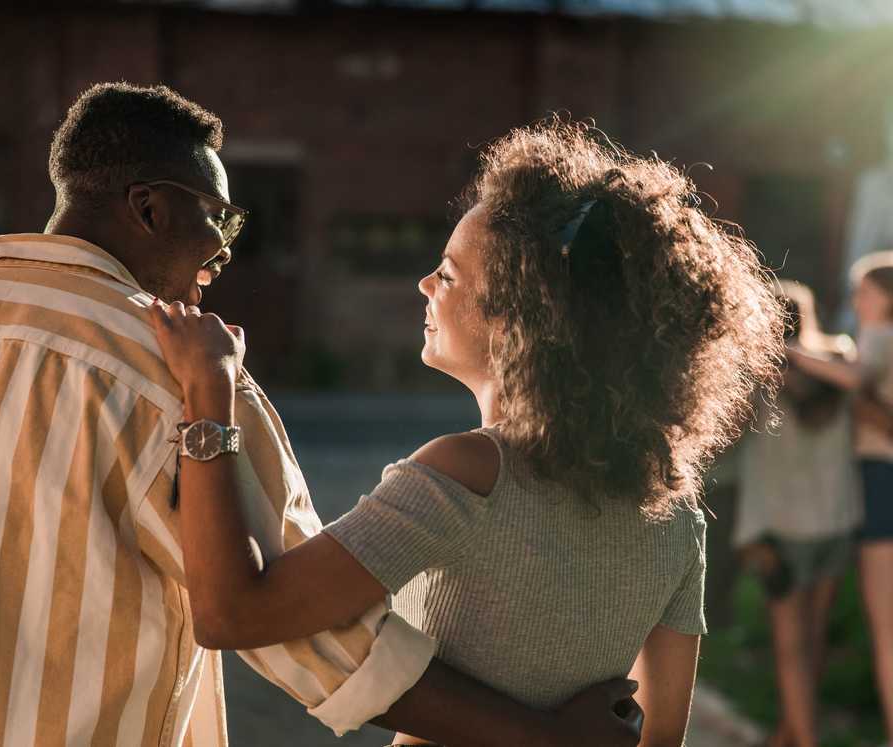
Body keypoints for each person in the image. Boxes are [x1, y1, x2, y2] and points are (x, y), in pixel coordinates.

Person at [0, 82, 640, 747]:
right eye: (217, 214)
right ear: (148, 208)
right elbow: (314, 637)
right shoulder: (181, 376)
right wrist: (542, 736)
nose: (227, 246)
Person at [143, 120, 786, 747]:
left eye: (448, 275)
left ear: (520, 321)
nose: (425, 285)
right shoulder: (676, 515)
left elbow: (234, 616)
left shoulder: (469, 472)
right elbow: (661, 733)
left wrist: (209, 393)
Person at [734, 280, 862, 747]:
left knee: (790, 647)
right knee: (814, 637)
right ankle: (791, 732)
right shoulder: (840, 359)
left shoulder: (760, 373)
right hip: (836, 519)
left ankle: (803, 739)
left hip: (779, 530)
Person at [789, 250, 893, 746]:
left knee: (886, 629)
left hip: (880, 482)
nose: (855, 298)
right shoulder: (873, 341)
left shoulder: (880, 336)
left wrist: (793, 352)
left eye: (864, 290)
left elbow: (856, 378)